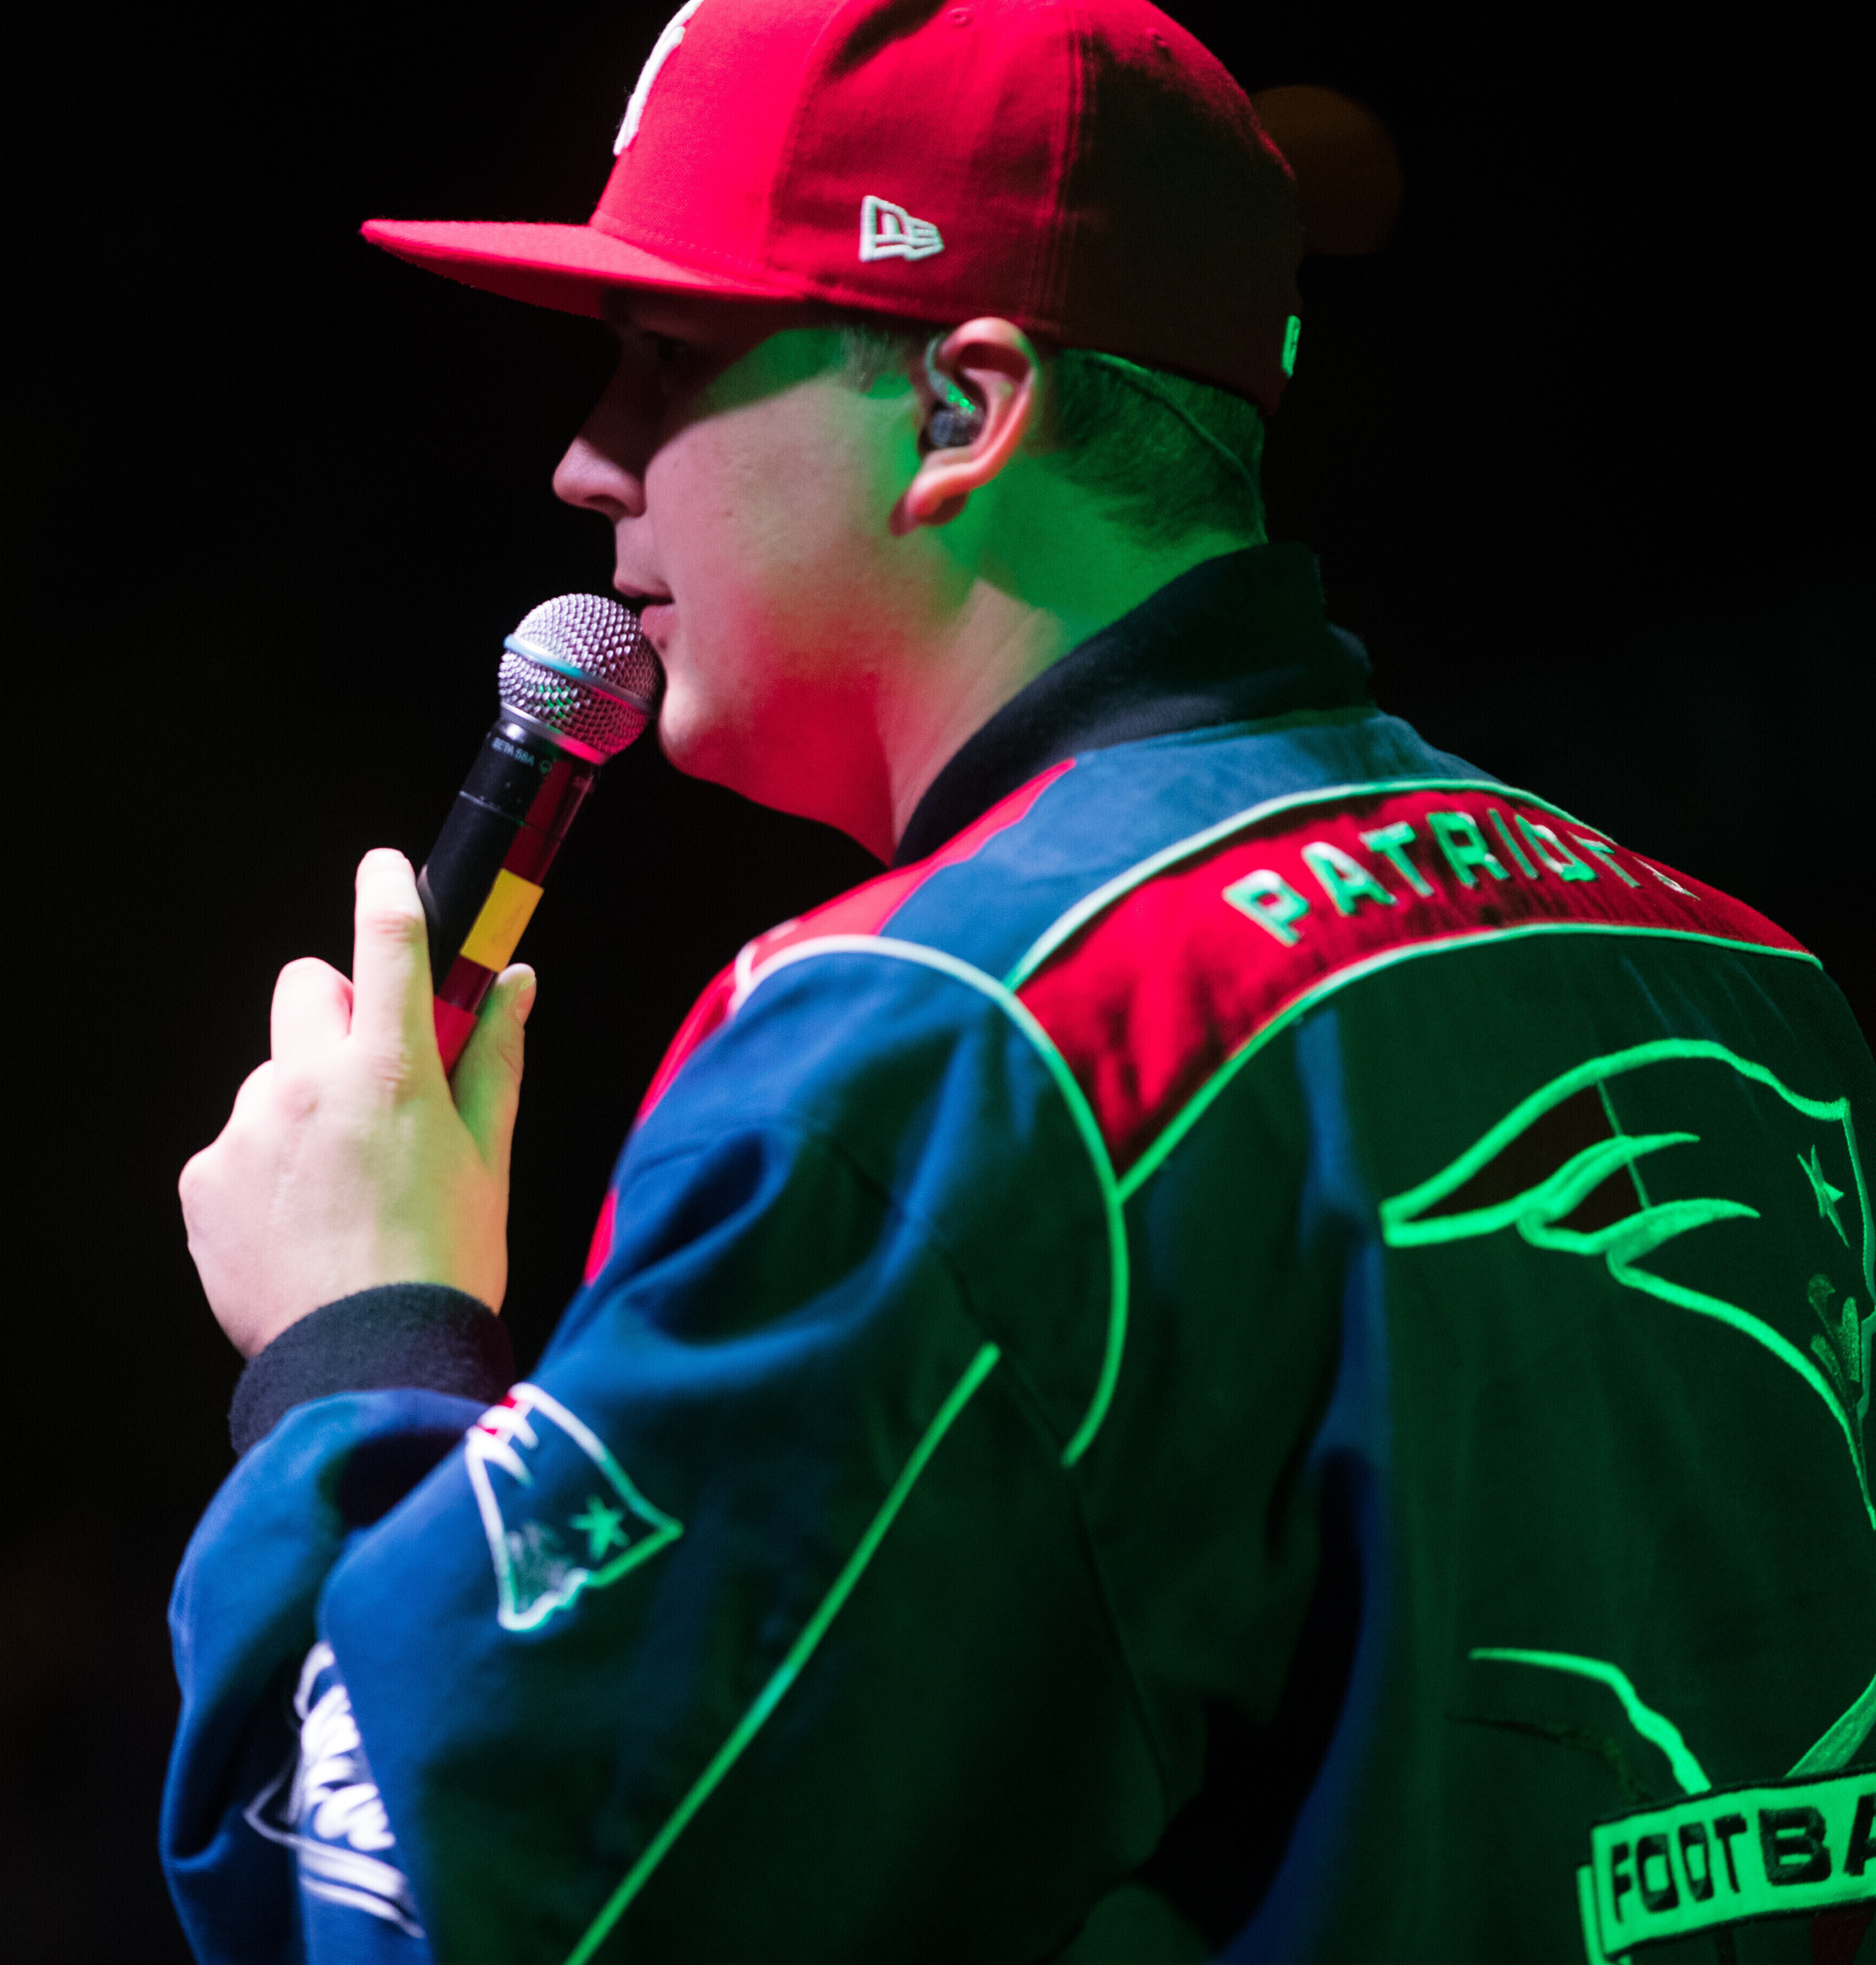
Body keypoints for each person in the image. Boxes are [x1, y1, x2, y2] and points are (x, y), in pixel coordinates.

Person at [162, 0, 1876, 1957]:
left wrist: (356, 1342)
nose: (584, 461)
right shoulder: (1739, 978)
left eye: (665, 359)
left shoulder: (943, 1044)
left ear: (963, 410)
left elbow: (434, 1913)